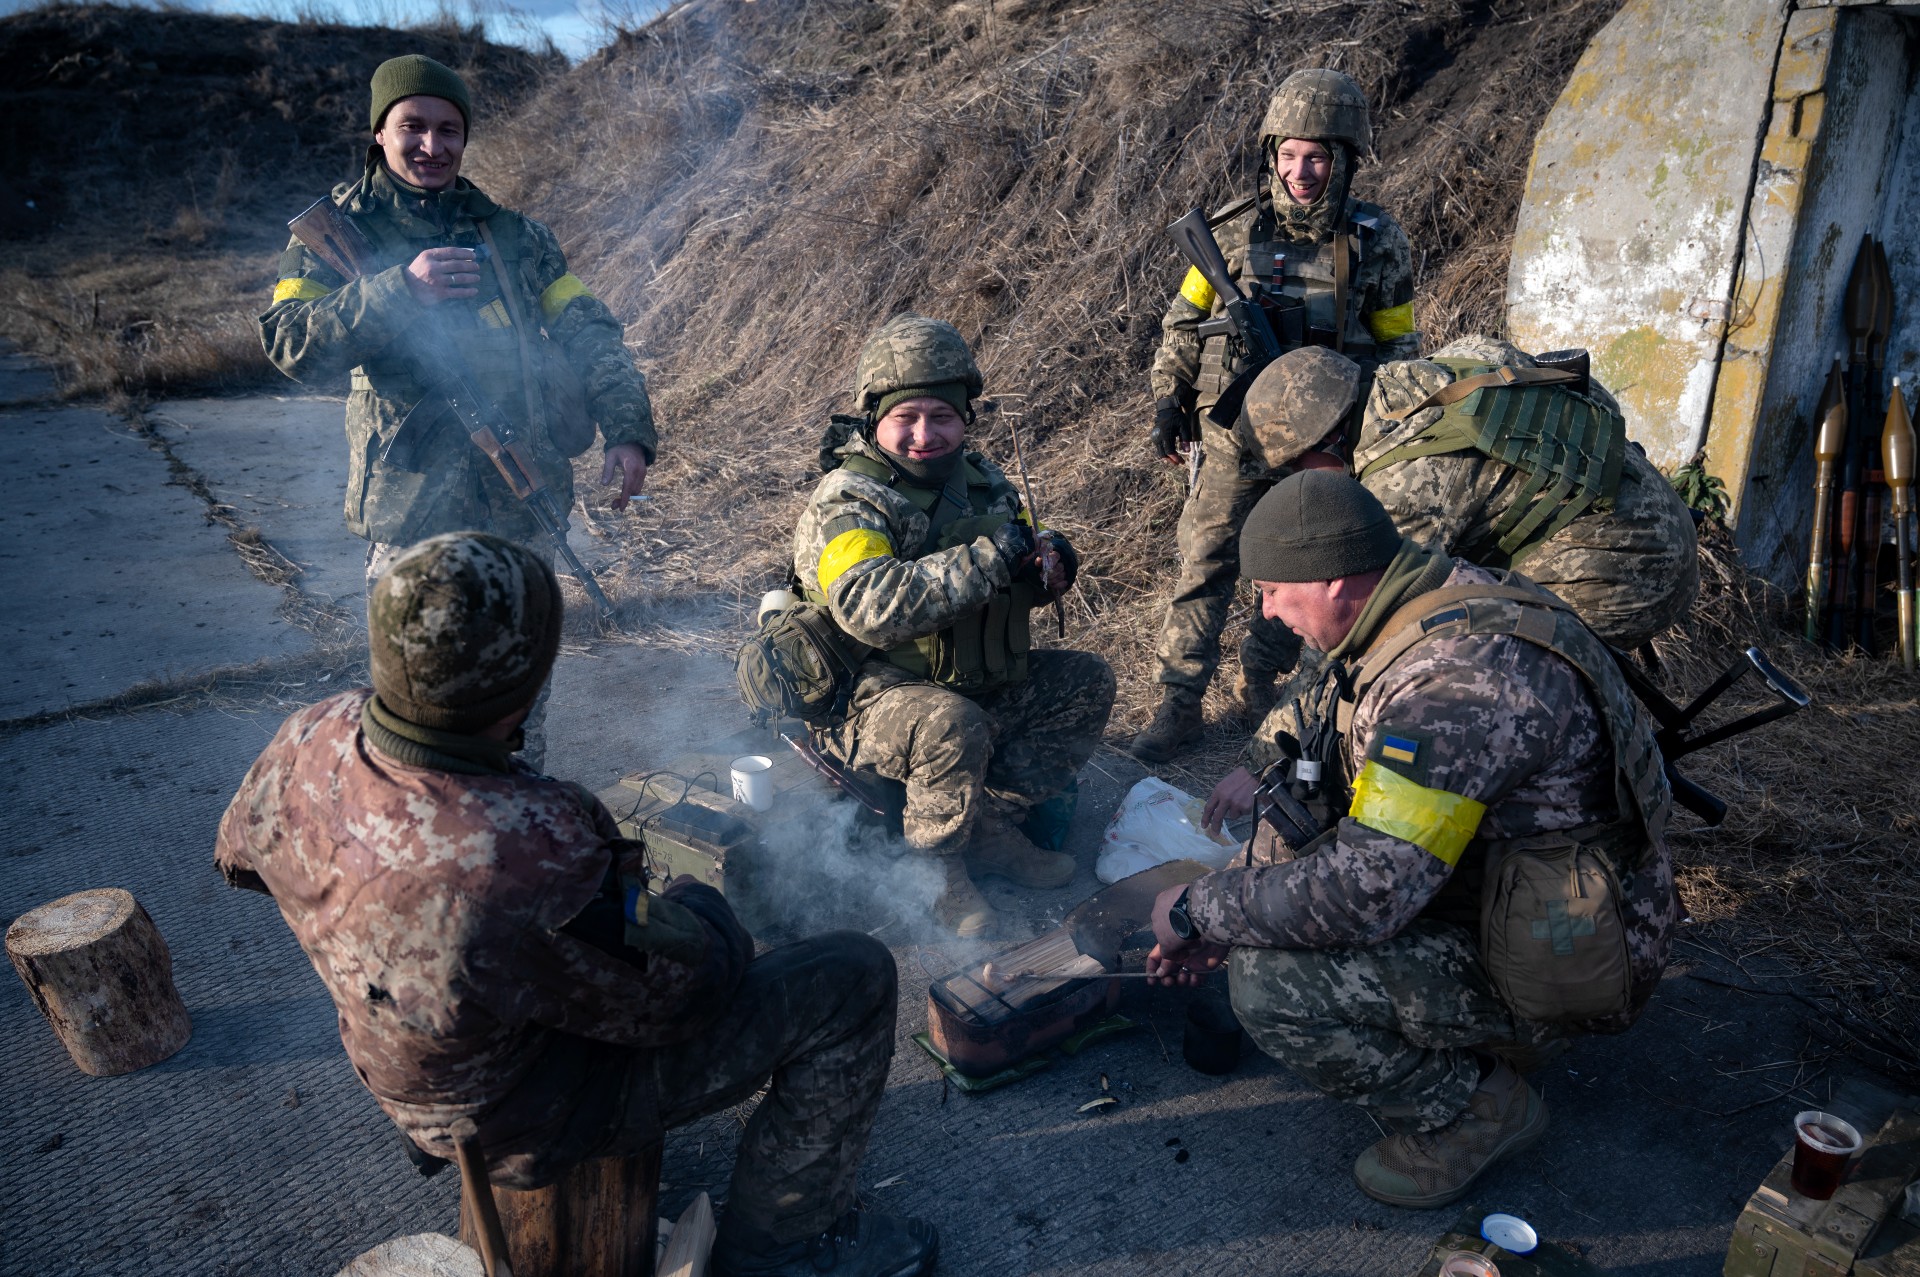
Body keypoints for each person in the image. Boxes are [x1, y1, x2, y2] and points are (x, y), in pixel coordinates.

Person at [215, 533, 935, 1277]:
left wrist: (398, 946)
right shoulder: (524, 853)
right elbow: (681, 994)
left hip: (397, 1056)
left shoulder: (312, 732)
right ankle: (784, 1245)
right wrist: (705, 907)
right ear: (527, 681)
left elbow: (238, 856)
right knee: (852, 976)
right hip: (521, 1114)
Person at [1147, 472, 1677, 1208]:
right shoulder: (1415, 600)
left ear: (1333, 578)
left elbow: (1364, 896)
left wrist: (1197, 909)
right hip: (1512, 896)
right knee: (1284, 860)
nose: (1266, 611)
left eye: (1272, 590)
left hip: (1570, 960)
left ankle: (1476, 1108)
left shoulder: (1449, 685)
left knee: (1269, 986)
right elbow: (1319, 765)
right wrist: (1240, 893)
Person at [259, 54, 657, 767]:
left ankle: (519, 848)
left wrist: (628, 429)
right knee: (418, 718)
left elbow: (589, 330)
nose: (433, 147)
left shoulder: (513, 234)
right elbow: (288, 345)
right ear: (378, 132)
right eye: (412, 127)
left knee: (518, 715)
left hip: (521, 505)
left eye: (450, 130)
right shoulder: (332, 234)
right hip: (413, 520)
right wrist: (395, 293)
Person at [792, 314, 1115, 937]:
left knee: (1085, 682)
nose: (924, 434)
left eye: (941, 417)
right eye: (905, 418)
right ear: (873, 420)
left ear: (966, 417)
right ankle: (935, 871)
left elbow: (1016, 576)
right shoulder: (850, 498)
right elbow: (868, 605)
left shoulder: (984, 483)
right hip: (863, 696)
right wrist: (990, 557)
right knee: (949, 724)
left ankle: (990, 826)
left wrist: (1049, 562)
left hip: (966, 673)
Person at [1132, 68, 1420, 762]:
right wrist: (1169, 398)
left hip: (1325, 435)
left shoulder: (1377, 240)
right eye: (1288, 155)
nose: (1300, 171)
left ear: (1344, 160)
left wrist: (1374, 426)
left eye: (1316, 157)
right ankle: (1178, 701)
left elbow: (1398, 346)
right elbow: (1183, 321)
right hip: (1235, 429)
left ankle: (1261, 677)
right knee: (1204, 558)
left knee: (1309, 558)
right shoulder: (1230, 234)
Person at [1229, 337, 1699, 649]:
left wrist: (1273, 748)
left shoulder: (1403, 485)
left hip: (1634, 576)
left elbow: (1360, 624)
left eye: (1294, 465)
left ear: (1329, 438)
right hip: (1657, 508)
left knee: (1450, 654)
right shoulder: (1450, 363)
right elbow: (1591, 392)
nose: (1295, 480)